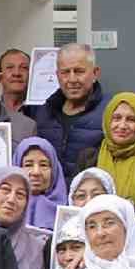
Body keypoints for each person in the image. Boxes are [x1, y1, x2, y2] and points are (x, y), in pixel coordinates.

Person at [32, 43, 107, 183]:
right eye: (65, 72)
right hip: (51, 199)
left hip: (90, 199)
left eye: (79, 71)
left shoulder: (110, 112)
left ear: (95, 73)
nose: (72, 79)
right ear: (57, 75)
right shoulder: (45, 112)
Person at [15, 136, 68, 229]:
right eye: (28, 165)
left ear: (54, 170)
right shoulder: (6, 205)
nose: (36, 172)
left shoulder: (68, 215)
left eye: (43, 165)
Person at [0, 48, 30, 114]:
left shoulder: (43, 114)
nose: (17, 73)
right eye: (10, 67)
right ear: (0, 77)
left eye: (24, 67)